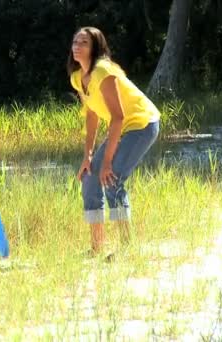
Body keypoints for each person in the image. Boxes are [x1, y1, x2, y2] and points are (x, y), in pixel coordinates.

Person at [68, 27, 160, 257]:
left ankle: (127, 248)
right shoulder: (78, 77)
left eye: (84, 42)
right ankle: (97, 247)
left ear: (95, 48)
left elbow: (118, 117)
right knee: (89, 178)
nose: (77, 46)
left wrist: (107, 162)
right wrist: (88, 156)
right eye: (75, 41)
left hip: (141, 124)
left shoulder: (103, 72)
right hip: (122, 127)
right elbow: (91, 114)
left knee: (111, 179)